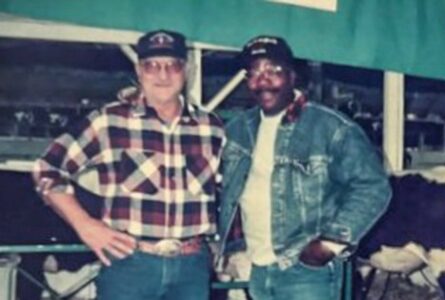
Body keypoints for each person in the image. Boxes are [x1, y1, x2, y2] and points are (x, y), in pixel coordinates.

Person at [32, 29, 225, 300]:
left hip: (191, 268)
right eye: (152, 66)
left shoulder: (212, 127)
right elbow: (47, 169)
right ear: (139, 70)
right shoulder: (108, 121)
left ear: (187, 70)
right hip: (129, 264)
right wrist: (85, 225)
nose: (163, 74)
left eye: (172, 66)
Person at [218, 35, 392, 300]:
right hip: (258, 269)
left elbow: (374, 186)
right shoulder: (237, 131)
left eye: (273, 71)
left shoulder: (331, 128)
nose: (263, 80)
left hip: (307, 273)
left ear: (292, 75)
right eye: (254, 73)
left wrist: (330, 244)